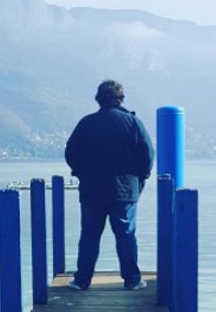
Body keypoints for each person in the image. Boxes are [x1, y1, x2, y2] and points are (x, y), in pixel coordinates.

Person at [65, 80, 154, 291]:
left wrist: (80, 172)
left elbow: (70, 153)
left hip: (91, 191)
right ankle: (132, 280)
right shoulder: (133, 123)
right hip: (124, 191)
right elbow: (148, 155)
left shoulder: (86, 123)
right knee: (125, 236)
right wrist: (140, 178)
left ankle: (82, 280)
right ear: (120, 99)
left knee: (89, 235)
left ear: (99, 99)